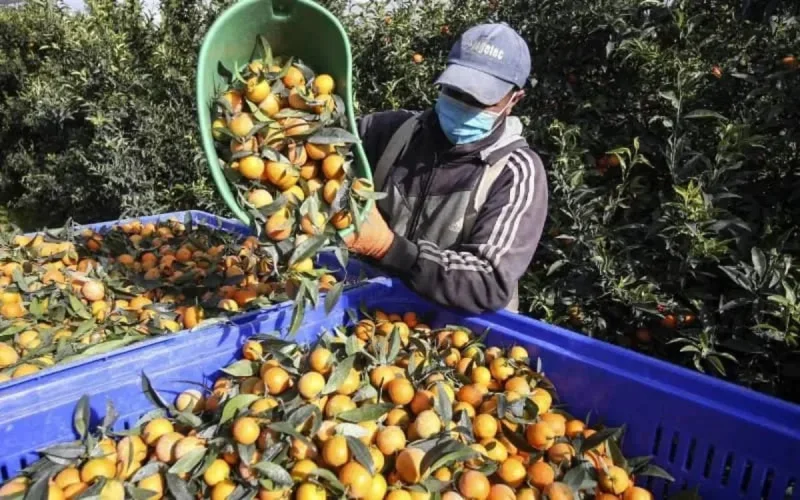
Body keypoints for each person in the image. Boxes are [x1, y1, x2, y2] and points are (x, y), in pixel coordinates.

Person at [345, 23, 548, 314]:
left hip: (454, 338)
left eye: (480, 99)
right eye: (456, 90)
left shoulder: (514, 171)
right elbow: (323, 144)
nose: (463, 104)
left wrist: (389, 248)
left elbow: (488, 279)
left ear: (514, 100)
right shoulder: (391, 132)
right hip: (371, 316)